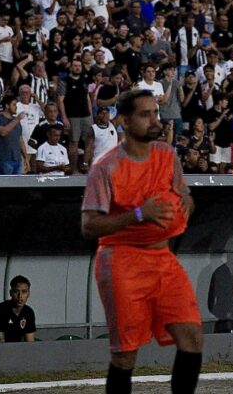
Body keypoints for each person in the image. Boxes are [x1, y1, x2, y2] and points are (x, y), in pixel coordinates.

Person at [81, 90, 203, 394]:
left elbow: (181, 191)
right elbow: (89, 226)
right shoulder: (105, 167)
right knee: (125, 354)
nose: (154, 120)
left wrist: (187, 199)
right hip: (121, 260)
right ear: (124, 121)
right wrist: (137, 214)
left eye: (155, 113)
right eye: (145, 114)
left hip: (162, 258)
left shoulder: (167, 154)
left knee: (192, 338)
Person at [0, 275, 36, 343]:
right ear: (11, 293)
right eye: (16, 291)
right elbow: (0, 344)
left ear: (29, 294)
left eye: (24, 291)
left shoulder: (28, 312)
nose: (20, 296)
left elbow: (30, 343)